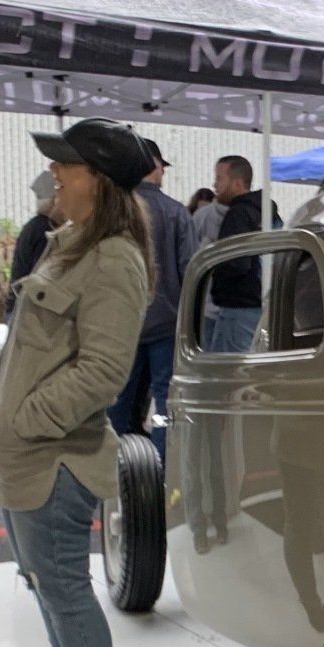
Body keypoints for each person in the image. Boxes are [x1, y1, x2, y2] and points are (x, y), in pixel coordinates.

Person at [0, 119, 152, 647]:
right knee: (46, 586)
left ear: (99, 182)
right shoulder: (70, 243)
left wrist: (27, 422)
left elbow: (105, 370)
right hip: (27, 459)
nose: (54, 171)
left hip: (54, 459)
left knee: (64, 590)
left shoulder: (113, 259)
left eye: (66, 164)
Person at [108, 138, 198, 461]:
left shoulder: (115, 212)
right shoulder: (176, 213)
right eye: (163, 167)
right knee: (164, 401)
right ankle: (160, 469)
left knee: (118, 398)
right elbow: (191, 268)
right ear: (155, 166)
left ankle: (113, 467)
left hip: (124, 324)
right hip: (166, 325)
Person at [202, 155, 281, 354]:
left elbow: (236, 262)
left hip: (237, 306)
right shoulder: (268, 213)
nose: (215, 185)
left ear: (237, 183)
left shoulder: (238, 214)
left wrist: (215, 272)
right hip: (263, 302)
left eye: (220, 179)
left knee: (228, 374)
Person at [6, 170, 63, 318]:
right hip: (27, 311)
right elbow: (43, 275)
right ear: (54, 201)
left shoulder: (32, 227)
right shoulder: (45, 231)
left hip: (19, 307)